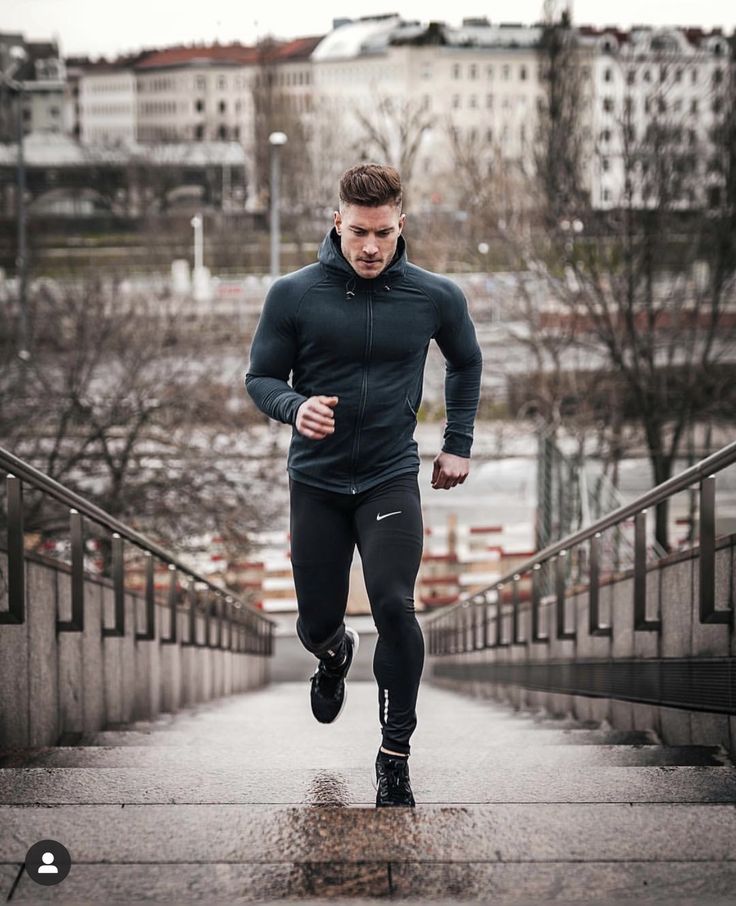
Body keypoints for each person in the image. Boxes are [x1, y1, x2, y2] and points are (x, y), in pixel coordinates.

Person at [245, 163, 482, 807]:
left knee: (396, 605)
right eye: (357, 233)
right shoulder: (293, 294)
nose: (371, 248)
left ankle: (394, 755)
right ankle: (332, 653)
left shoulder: (434, 295)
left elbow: (465, 360)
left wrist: (456, 444)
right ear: (336, 222)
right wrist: (295, 407)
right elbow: (260, 378)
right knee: (317, 619)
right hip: (316, 483)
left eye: (382, 233)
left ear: (400, 223)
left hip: (388, 478)